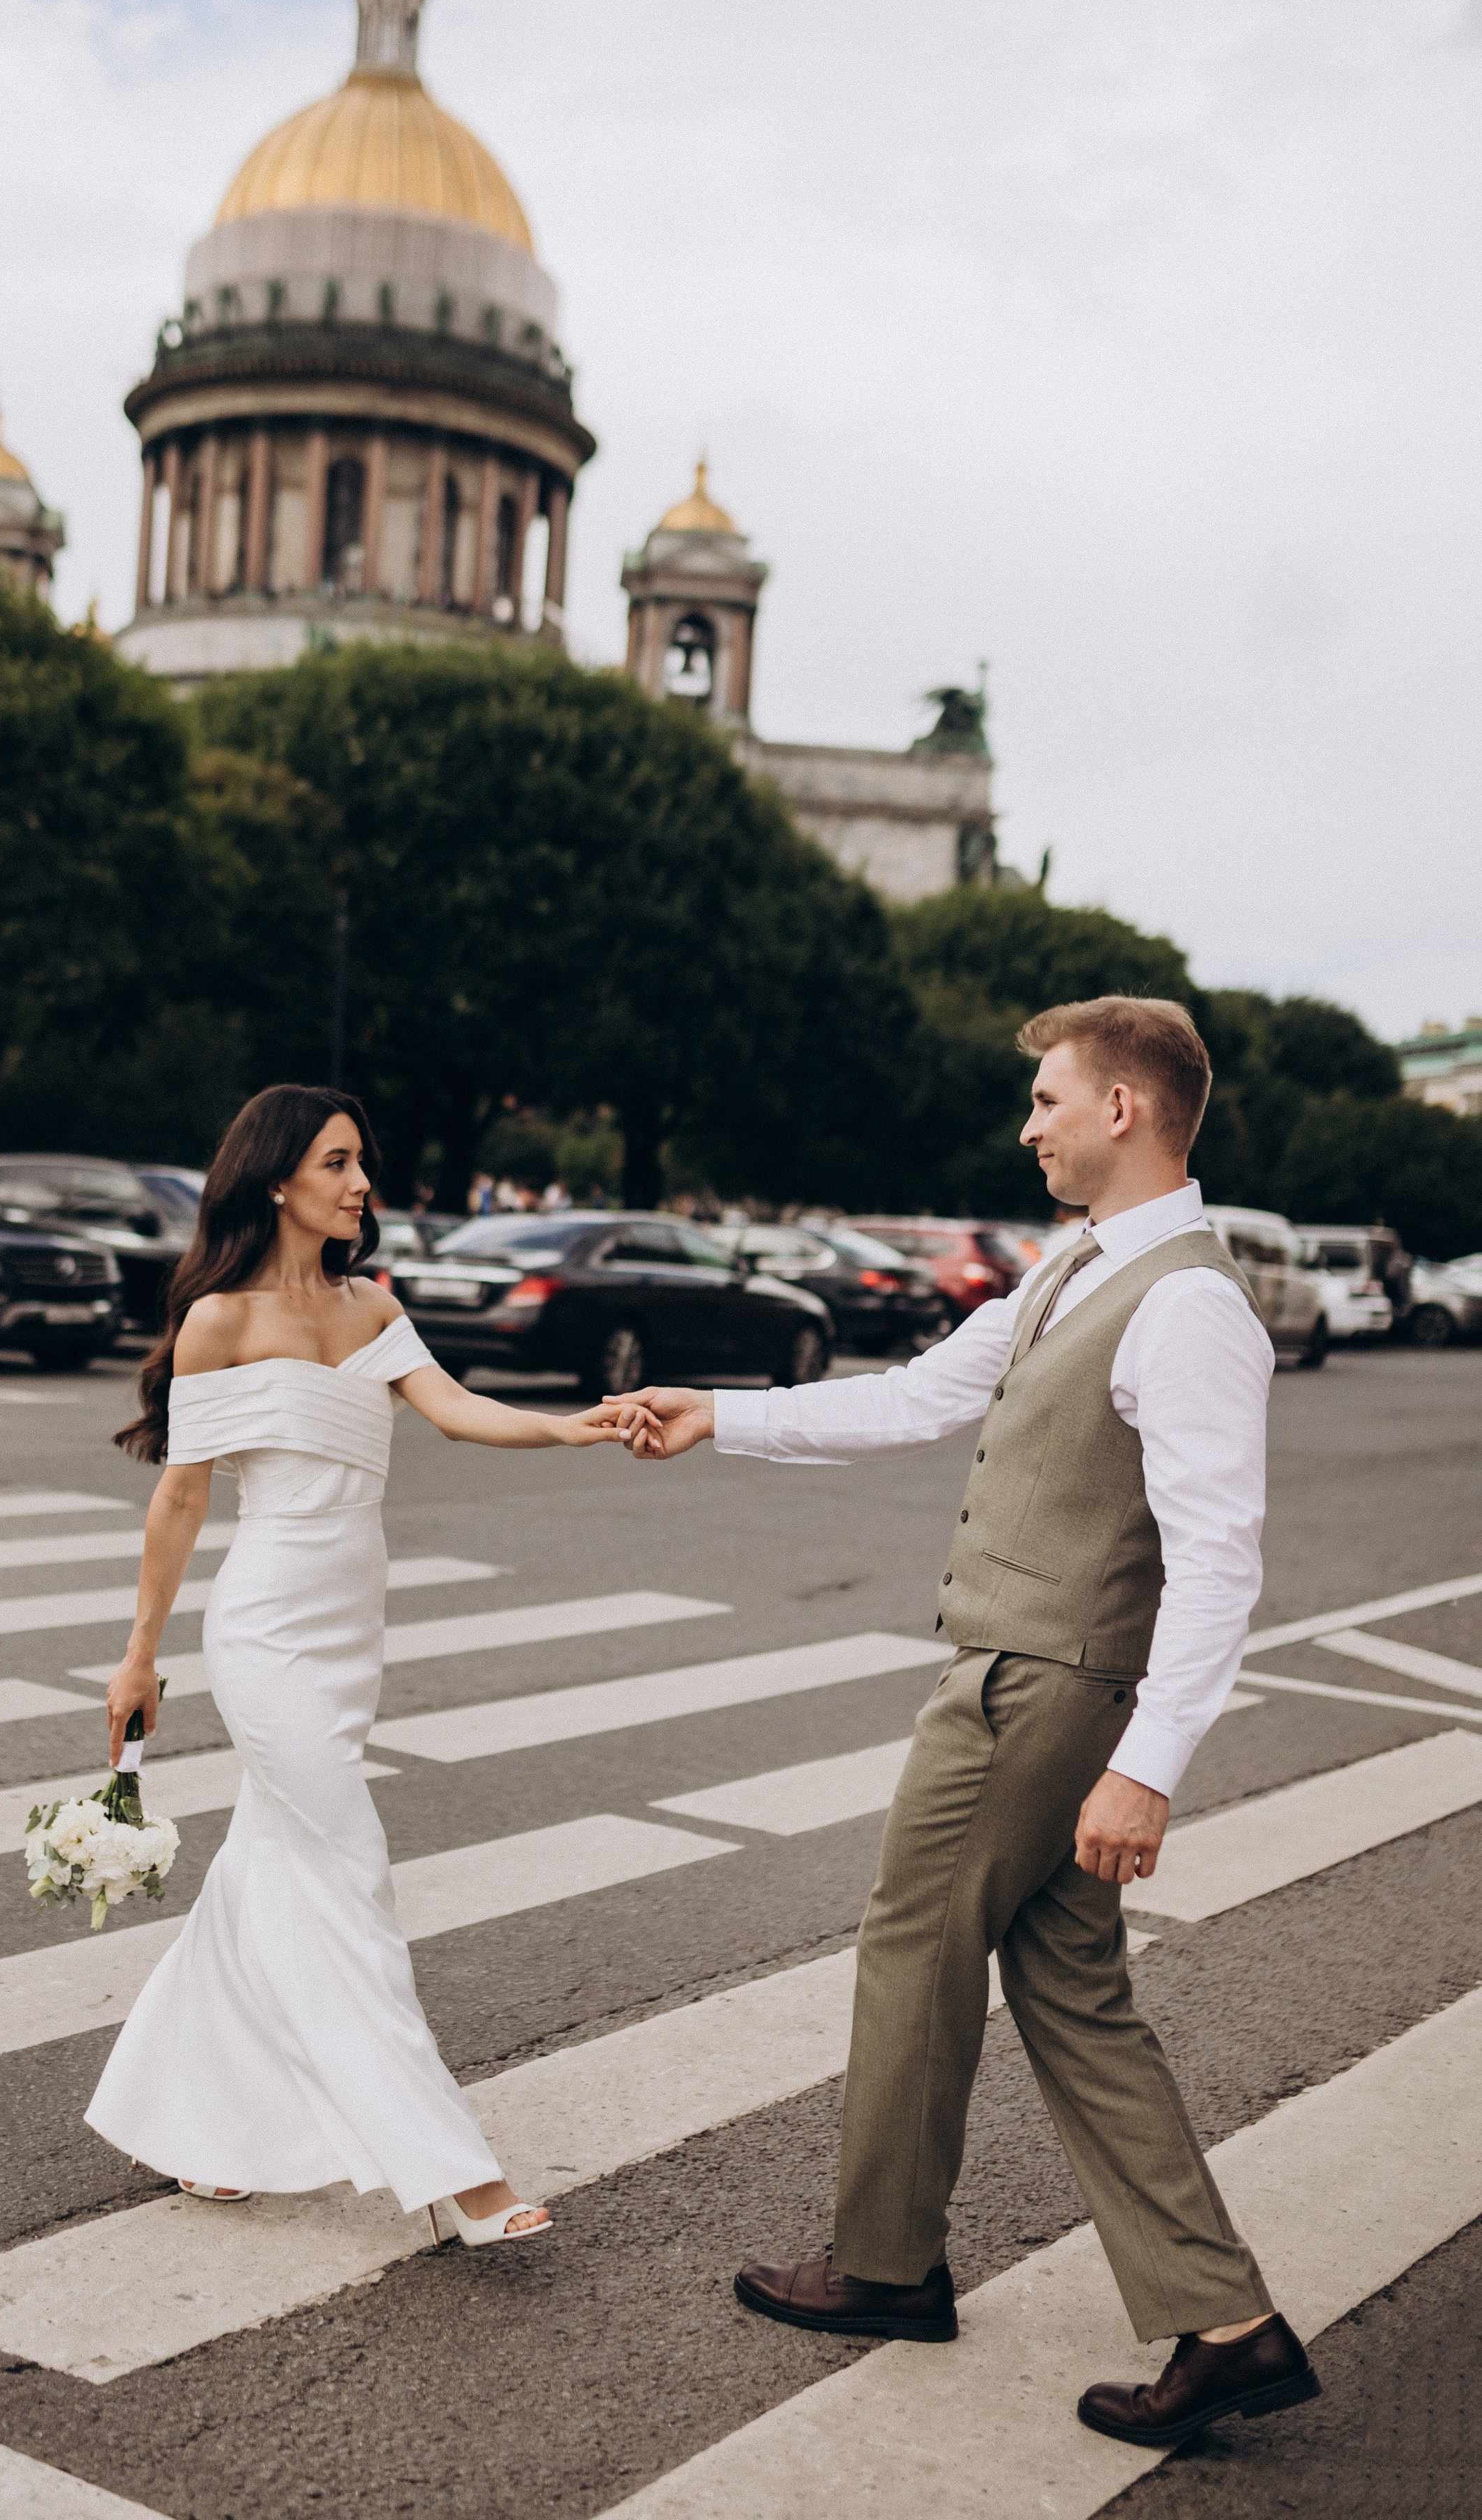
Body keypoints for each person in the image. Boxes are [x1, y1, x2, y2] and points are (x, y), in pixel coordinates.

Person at [609, 997, 1322, 2451]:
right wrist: (720, 1418)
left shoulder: (1185, 1301)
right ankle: (1226, 2319)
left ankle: (883, 2264)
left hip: (1034, 1685)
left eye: (1048, 1099)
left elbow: (1218, 1559)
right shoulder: (1076, 1264)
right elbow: (920, 1398)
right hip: (1038, 1677)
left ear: (1122, 1109)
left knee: (911, 1934)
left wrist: (1145, 1772)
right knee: (1067, 1988)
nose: (1028, 1125)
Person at [87, 1082, 623, 2247]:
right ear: (277, 1178)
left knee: (273, 1864)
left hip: (351, 1629)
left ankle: (189, 2119)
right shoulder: (221, 1321)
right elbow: (181, 1497)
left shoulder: (371, 1303)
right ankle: (457, 2172)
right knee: (349, 1875)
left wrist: (579, 1424)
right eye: (337, 1163)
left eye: (361, 1165)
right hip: (271, 1629)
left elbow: (462, 1411)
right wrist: (140, 1657)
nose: (360, 1183)